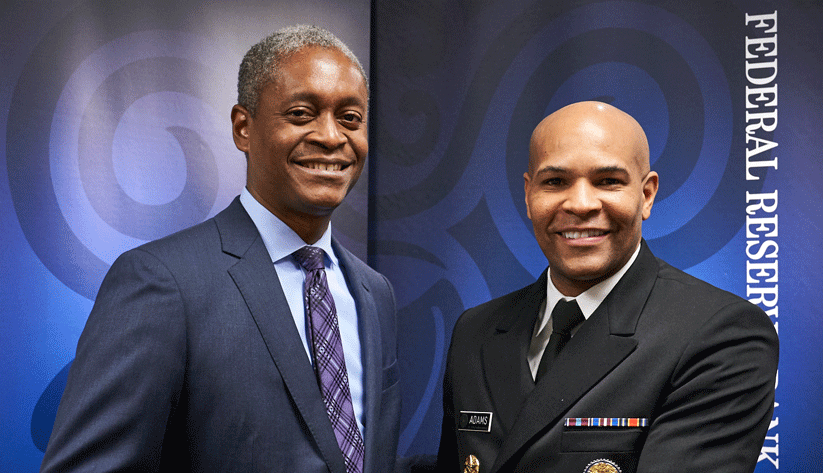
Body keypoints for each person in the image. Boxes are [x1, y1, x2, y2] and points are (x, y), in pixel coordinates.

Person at [41, 25, 400, 473]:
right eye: (302, 113)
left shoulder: (375, 293)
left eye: (350, 118)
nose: (331, 136)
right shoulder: (161, 282)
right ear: (243, 127)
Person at [436, 101, 778, 473]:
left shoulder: (720, 334)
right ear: (528, 194)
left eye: (608, 181)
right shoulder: (475, 331)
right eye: (555, 182)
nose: (581, 204)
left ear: (646, 195)